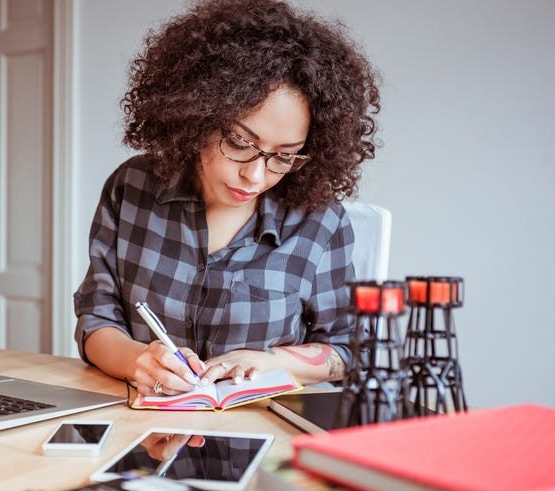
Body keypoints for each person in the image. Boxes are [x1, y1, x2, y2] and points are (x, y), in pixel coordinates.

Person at [73, 0, 380, 397]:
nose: (254, 175)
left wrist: (272, 361)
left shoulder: (319, 221)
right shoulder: (131, 187)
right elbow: (97, 319)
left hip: (262, 439)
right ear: (196, 115)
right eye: (239, 142)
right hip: (143, 429)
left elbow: (351, 347)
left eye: (284, 156)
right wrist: (138, 361)